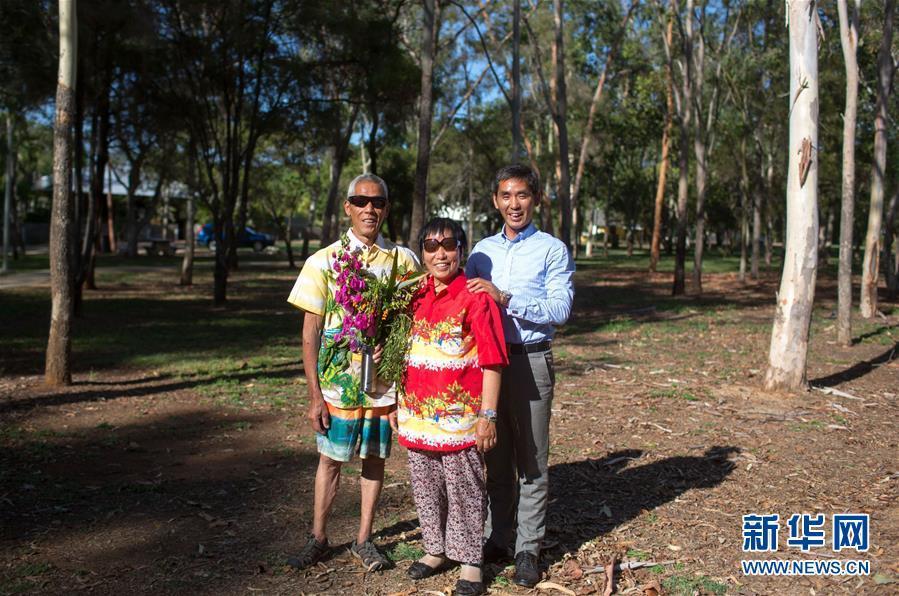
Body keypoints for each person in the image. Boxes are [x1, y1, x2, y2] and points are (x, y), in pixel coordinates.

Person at [286, 173, 420, 571]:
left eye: (377, 202)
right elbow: (310, 330)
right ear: (348, 207)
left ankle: (364, 540)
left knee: (375, 460)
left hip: (381, 386)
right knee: (329, 460)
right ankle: (319, 538)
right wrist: (314, 395)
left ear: (386, 208)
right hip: (337, 385)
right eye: (360, 201)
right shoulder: (323, 261)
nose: (369, 209)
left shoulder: (402, 260)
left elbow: (412, 321)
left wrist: (393, 346)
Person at [465, 164, 575, 587]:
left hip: (530, 360)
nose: (515, 204)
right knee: (494, 454)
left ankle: (528, 548)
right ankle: (500, 536)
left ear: (536, 199)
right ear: (495, 201)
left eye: (523, 195)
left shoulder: (551, 249)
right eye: (506, 196)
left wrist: (505, 297)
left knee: (531, 459)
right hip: (487, 364)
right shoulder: (480, 252)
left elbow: (560, 311)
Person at [398, 217, 508, 596]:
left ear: (462, 250)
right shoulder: (413, 294)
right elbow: (402, 351)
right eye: (431, 246)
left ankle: (471, 563)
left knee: (465, 489)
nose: (440, 253)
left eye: (448, 245)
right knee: (427, 487)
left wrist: (488, 416)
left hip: (459, 418)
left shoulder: (475, 296)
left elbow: (492, 360)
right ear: (422, 253)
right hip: (417, 414)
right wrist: (396, 402)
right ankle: (435, 550)